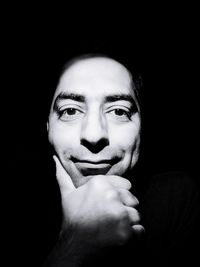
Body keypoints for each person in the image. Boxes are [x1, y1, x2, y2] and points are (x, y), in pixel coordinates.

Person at [43, 54, 200, 266]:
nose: (94, 135)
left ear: (142, 128)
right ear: (48, 127)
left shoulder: (178, 199)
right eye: (70, 110)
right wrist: (74, 247)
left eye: (118, 111)